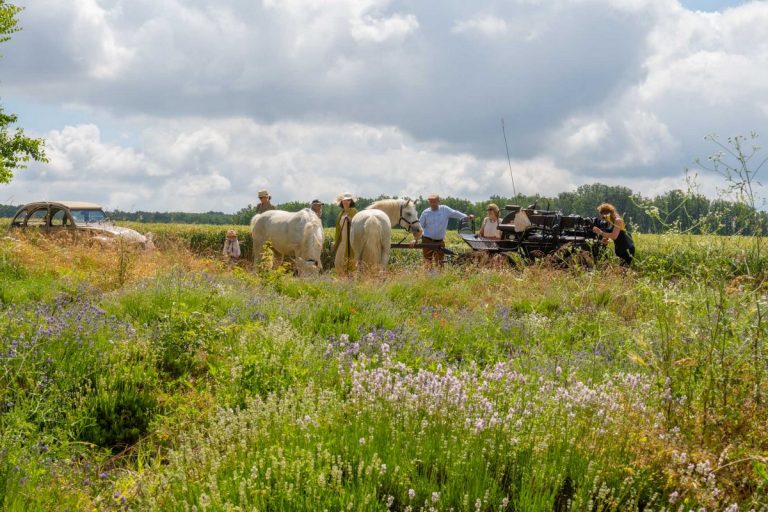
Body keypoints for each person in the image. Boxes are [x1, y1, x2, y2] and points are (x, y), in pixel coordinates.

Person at [411, 193, 474, 269]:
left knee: (440, 264)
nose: (432, 204)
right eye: (430, 202)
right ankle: (427, 279)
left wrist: (467, 217)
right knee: (427, 263)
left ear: (438, 201)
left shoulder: (445, 209)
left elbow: (456, 213)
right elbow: (419, 228)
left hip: (439, 242)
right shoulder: (425, 213)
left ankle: (439, 279)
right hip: (427, 241)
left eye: (434, 201)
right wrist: (415, 239)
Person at [333, 192, 358, 274]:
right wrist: (335, 242)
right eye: (344, 200)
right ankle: (342, 280)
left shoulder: (354, 211)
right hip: (342, 241)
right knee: (338, 262)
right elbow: (338, 230)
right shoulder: (340, 214)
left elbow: (357, 225)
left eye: (348, 200)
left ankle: (350, 280)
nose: (346, 202)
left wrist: (350, 221)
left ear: (351, 202)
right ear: (341, 201)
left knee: (350, 262)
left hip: (351, 242)